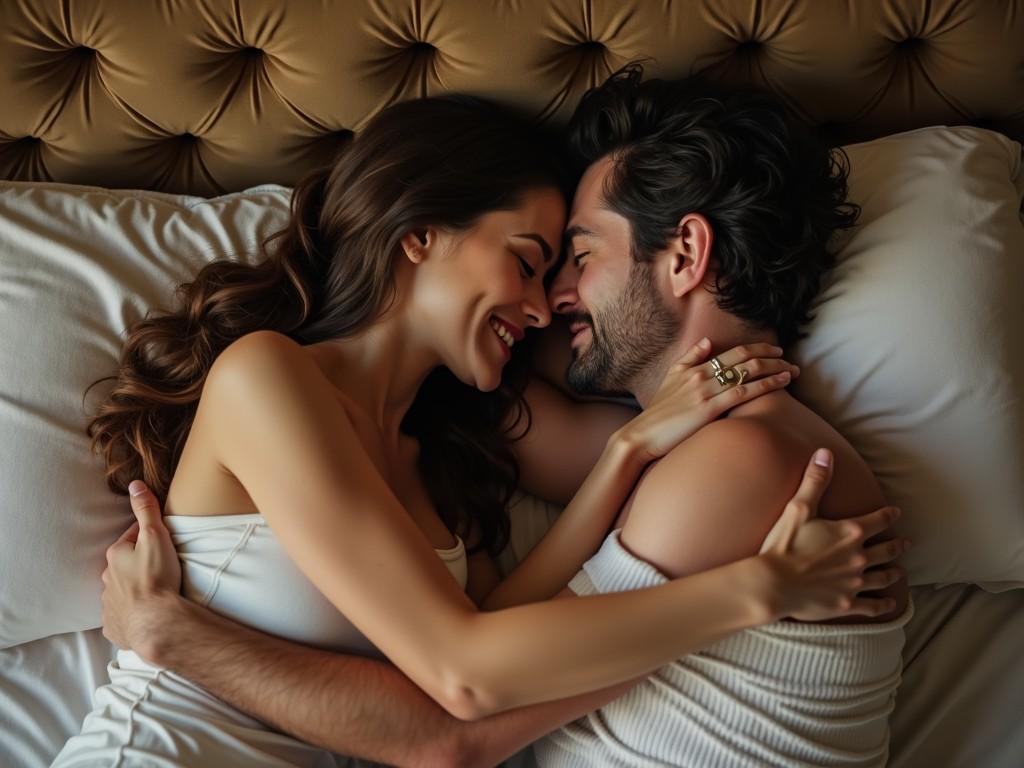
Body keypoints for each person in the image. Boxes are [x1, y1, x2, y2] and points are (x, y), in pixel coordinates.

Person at [61, 86, 904, 768]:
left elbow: (482, 656)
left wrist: (626, 448)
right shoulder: (266, 375)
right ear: (420, 233)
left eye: (575, 259)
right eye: (536, 261)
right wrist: (758, 594)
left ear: (685, 255)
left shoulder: (438, 463)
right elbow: (464, 693)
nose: (546, 307)